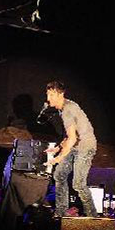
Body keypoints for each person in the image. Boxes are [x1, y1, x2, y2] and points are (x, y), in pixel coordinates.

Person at [44, 81, 98, 218]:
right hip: (75, 146)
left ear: (61, 94)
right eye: (48, 94)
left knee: (78, 184)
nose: (48, 98)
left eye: (51, 95)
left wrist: (58, 158)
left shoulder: (68, 109)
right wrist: (57, 148)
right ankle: (61, 212)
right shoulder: (64, 109)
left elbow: (73, 139)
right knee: (59, 175)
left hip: (85, 147)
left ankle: (93, 218)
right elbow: (70, 136)